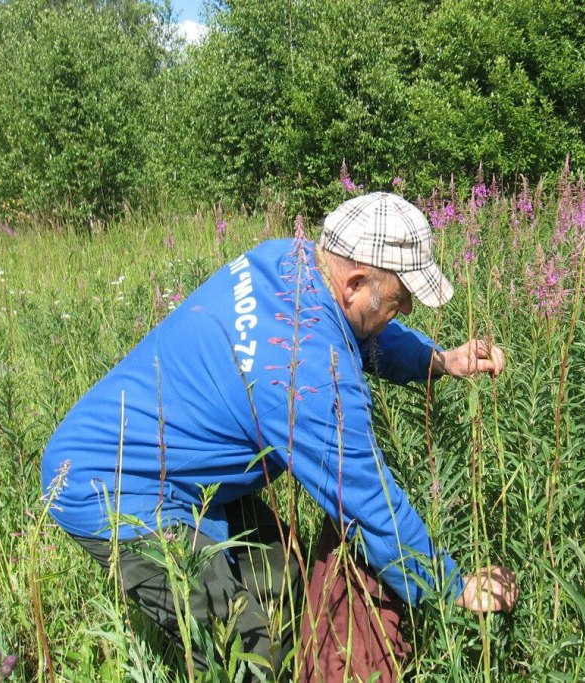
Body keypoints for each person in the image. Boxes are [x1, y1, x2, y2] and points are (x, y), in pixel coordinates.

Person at [41, 192, 518, 681]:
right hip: (111, 487)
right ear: (355, 281)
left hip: (176, 464)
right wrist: (453, 585)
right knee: (246, 650)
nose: (408, 309)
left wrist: (437, 359)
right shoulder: (308, 379)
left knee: (284, 584)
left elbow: (354, 326)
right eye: (400, 299)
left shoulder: (289, 259)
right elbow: (369, 506)